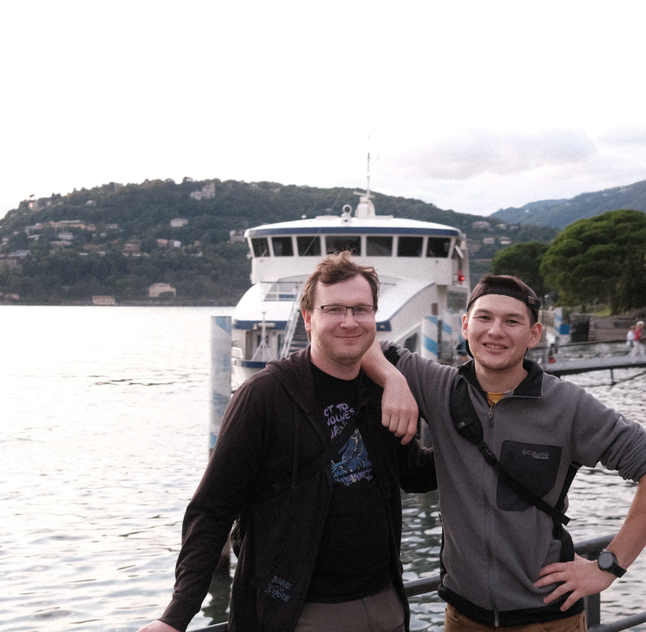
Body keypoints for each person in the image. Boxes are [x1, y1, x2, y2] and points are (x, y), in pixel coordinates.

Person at [363, 274, 646, 632]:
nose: (495, 331)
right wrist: (393, 381)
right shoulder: (439, 388)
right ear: (466, 326)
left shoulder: (567, 406)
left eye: (512, 321)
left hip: (545, 619)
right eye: (484, 318)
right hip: (462, 616)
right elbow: (366, 343)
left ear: (533, 335)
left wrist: (607, 566)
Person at [139, 252, 436, 632]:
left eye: (361, 309)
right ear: (309, 319)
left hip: (386, 604)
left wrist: (471, 441)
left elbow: (412, 473)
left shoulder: (378, 392)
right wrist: (176, 616)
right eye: (335, 309)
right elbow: (213, 508)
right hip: (299, 611)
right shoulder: (265, 396)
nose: (349, 321)